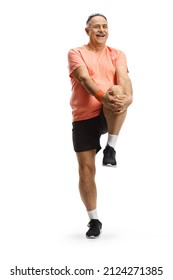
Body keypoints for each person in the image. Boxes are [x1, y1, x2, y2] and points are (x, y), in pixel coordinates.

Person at [67, 13, 133, 239]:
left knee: (118, 91)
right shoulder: (76, 53)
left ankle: (110, 147)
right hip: (84, 116)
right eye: (96, 26)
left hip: (109, 112)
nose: (101, 30)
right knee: (86, 170)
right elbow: (84, 79)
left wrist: (129, 98)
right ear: (88, 31)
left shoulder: (117, 54)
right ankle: (94, 220)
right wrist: (102, 96)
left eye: (105, 26)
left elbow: (123, 79)